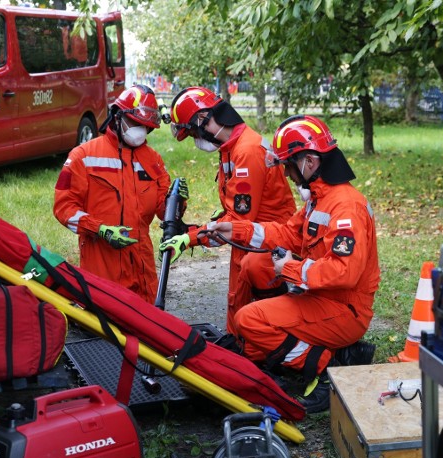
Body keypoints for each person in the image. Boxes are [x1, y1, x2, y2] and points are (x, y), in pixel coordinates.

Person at [205, 115, 379, 413]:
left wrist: (289, 268)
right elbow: (286, 232)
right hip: (322, 298)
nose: (286, 174)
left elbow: (344, 272)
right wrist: (235, 230)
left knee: (249, 320)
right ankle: (289, 341)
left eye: (288, 165)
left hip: (343, 311)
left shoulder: (345, 206)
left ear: (310, 161)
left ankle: (326, 366)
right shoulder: (319, 199)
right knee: (254, 265)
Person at [158, 86, 297, 336]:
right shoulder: (231, 147)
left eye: (191, 133)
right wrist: (190, 230)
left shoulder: (247, 151)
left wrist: (190, 239)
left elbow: (237, 223)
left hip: (265, 243)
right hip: (250, 237)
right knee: (237, 303)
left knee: (253, 312)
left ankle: (259, 357)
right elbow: (234, 213)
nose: (194, 139)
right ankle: (239, 351)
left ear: (203, 119)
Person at [53, 84, 185, 304]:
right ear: (117, 117)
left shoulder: (153, 160)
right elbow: (63, 208)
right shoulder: (83, 156)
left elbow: (164, 212)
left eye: (145, 127)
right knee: (106, 325)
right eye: (135, 124)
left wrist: (178, 202)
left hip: (141, 263)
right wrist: (99, 229)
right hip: (101, 262)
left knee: (147, 325)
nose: (140, 131)